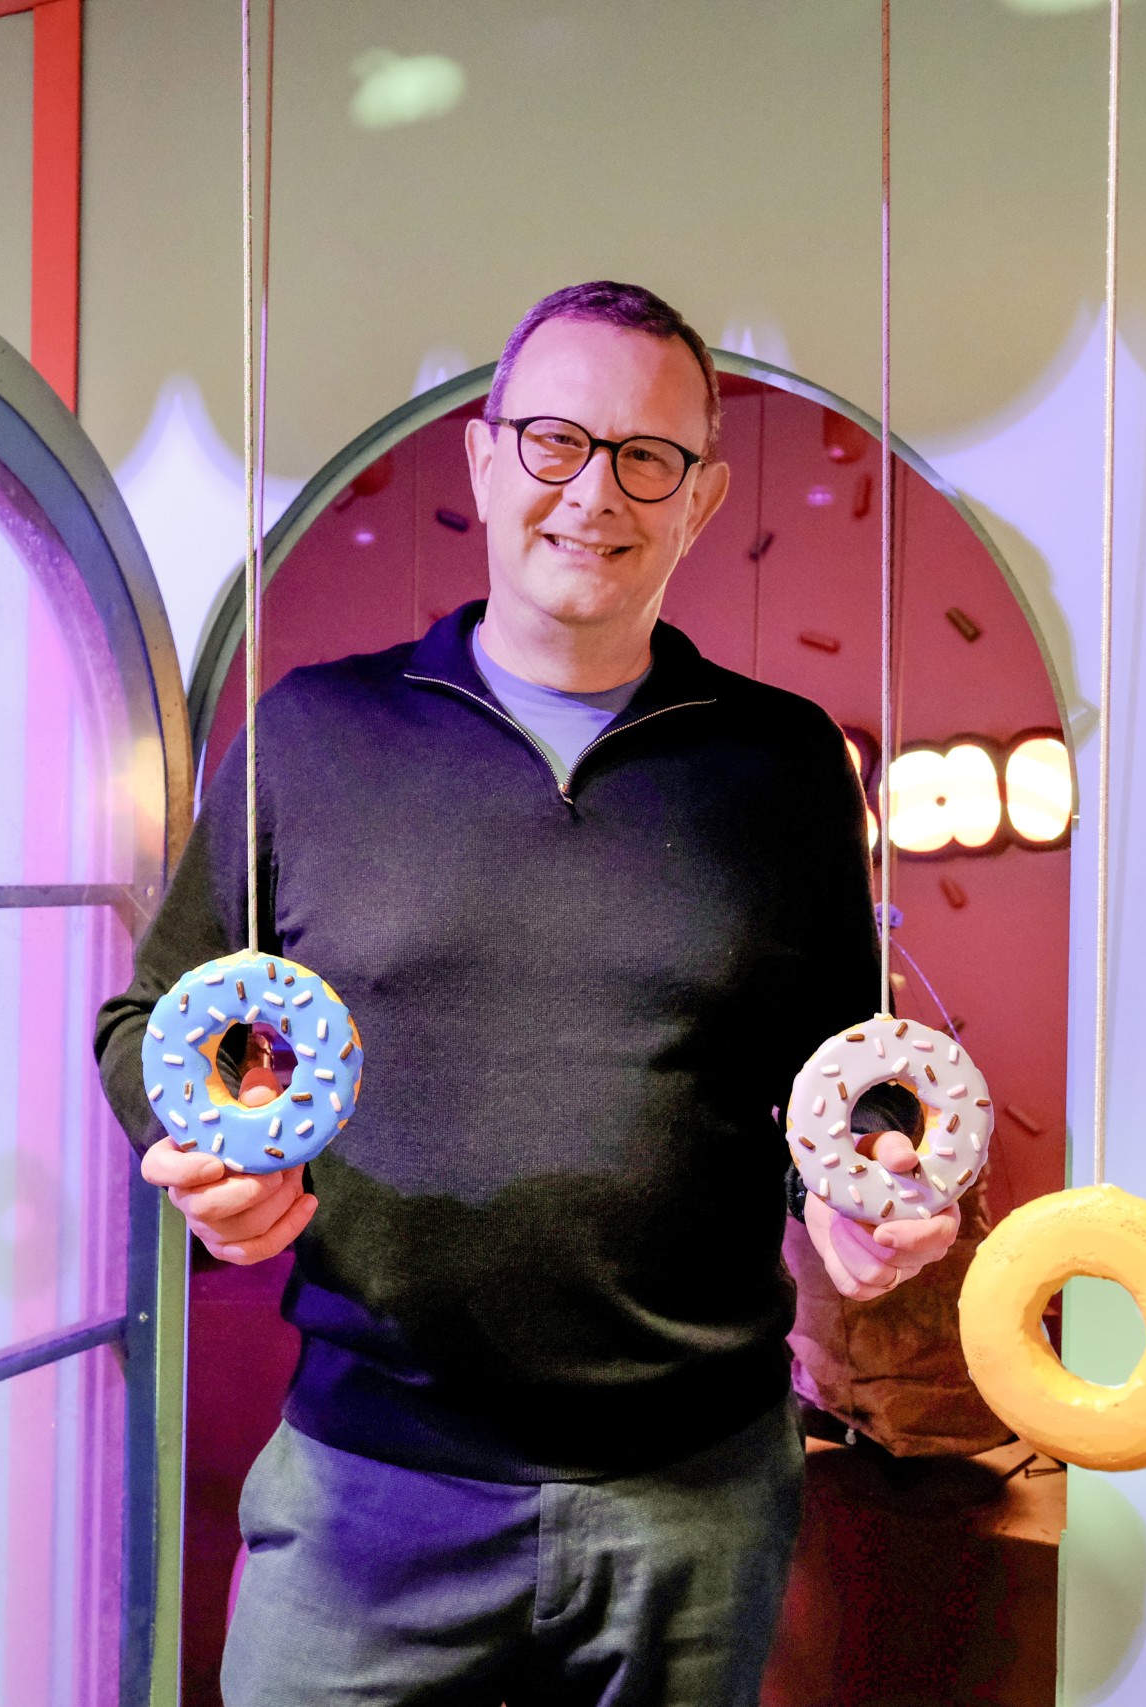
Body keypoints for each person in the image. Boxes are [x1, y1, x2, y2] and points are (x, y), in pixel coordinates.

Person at [94, 280, 962, 1706]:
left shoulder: (789, 765)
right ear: (487, 460)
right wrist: (189, 1155)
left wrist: (864, 1192)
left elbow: (840, 1080)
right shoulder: (316, 733)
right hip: (371, 1487)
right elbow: (151, 1025)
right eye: (555, 442)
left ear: (700, 496)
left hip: (693, 1494)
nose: (593, 495)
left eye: (646, 457)